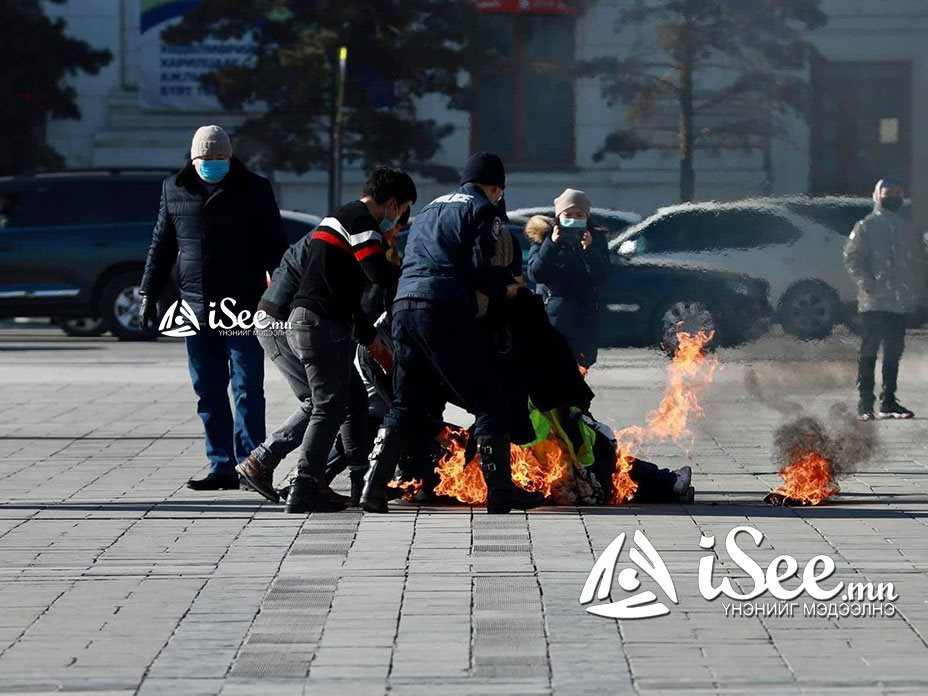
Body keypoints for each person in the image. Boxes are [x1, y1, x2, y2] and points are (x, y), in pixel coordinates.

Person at [360, 151, 546, 515]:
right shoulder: (483, 210)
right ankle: (501, 492)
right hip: (443, 309)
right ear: (495, 187)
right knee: (490, 400)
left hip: (404, 310)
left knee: (406, 402)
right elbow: (479, 269)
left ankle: (373, 487)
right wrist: (508, 290)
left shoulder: (430, 208)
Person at [139, 125, 287, 490]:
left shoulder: (254, 189)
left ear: (230, 158)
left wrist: (283, 297)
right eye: (207, 159)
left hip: (241, 306)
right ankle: (221, 464)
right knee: (207, 388)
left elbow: (276, 248)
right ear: (194, 160)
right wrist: (148, 294)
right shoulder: (174, 189)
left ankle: (252, 464)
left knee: (247, 386)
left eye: (221, 159)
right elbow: (162, 245)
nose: (214, 165)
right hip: (194, 307)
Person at [235, 208, 408, 506]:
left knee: (352, 397)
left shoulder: (352, 236)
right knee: (323, 401)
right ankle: (264, 463)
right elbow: (346, 299)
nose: (391, 238)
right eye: (392, 231)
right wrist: (371, 341)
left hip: (302, 322)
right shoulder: (352, 237)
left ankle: (360, 479)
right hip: (284, 322)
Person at [282, 167, 417, 513]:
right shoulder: (360, 221)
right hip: (318, 323)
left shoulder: (341, 215)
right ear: (392, 203)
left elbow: (348, 291)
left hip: (319, 321)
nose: (400, 218)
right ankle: (304, 484)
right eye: (402, 210)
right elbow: (377, 272)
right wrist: (415, 277)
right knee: (329, 406)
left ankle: (361, 480)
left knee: (353, 401)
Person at [844, 177, 927, 420]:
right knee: (869, 351)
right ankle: (865, 404)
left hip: (900, 303)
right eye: (888, 192)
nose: (893, 197)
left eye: (897, 192)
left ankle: (888, 401)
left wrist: (915, 288)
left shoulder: (906, 228)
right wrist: (868, 284)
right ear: (877, 195)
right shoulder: (866, 227)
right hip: (874, 303)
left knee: (893, 352)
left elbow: (919, 261)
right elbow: (853, 259)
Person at [525, 189, 611, 370]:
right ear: (559, 216)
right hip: (551, 319)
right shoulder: (543, 238)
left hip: (583, 320)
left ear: (587, 216)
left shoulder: (596, 239)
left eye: (579, 214)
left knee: (577, 379)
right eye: (568, 214)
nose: (573, 218)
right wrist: (551, 245)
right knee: (550, 377)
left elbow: (602, 276)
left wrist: (589, 251)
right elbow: (536, 274)